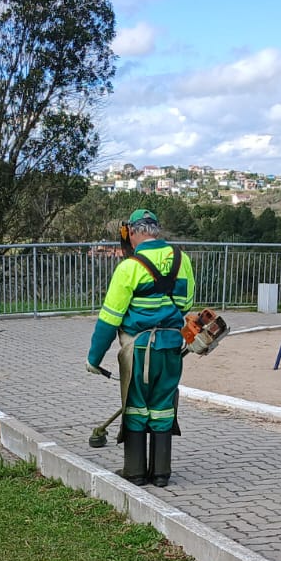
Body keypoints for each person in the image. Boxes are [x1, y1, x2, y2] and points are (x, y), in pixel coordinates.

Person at [86, 208, 195, 486]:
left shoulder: (129, 267)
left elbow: (110, 319)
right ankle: (161, 474)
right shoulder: (182, 260)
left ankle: (135, 472)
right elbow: (186, 305)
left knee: (135, 406)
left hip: (137, 350)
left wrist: (94, 358)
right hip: (171, 348)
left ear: (133, 232)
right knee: (163, 406)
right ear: (155, 230)